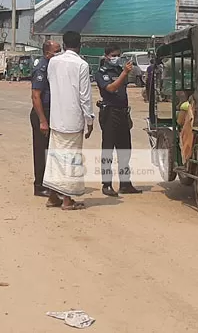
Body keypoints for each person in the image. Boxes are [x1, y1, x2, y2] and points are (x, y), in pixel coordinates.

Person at [43, 31, 94, 210]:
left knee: (56, 158)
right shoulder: (82, 65)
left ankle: (52, 196)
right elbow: (85, 96)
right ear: (80, 45)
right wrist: (90, 119)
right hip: (73, 120)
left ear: (63, 44)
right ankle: (66, 200)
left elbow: (51, 84)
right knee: (70, 159)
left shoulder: (53, 62)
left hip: (56, 118)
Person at [95, 44, 141, 197]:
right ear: (107, 56)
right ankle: (106, 184)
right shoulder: (102, 72)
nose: (116, 58)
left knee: (125, 149)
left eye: (118, 55)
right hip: (109, 113)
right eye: (114, 55)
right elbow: (111, 88)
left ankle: (125, 183)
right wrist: (124, 73)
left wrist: (124, 72)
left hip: (122, 113)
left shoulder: (119, 70)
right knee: (108, 150)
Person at [30, 40, 61, 197]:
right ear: (47, 53)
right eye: (57, 51)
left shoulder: (52, 67)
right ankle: (39, 185)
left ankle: (49, 184)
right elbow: (36, 96)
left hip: (51, 112)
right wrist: (43, 120)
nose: (60, 54)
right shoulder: (41, 69)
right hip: (42, 112)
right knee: (41, 151)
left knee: (51, 151)